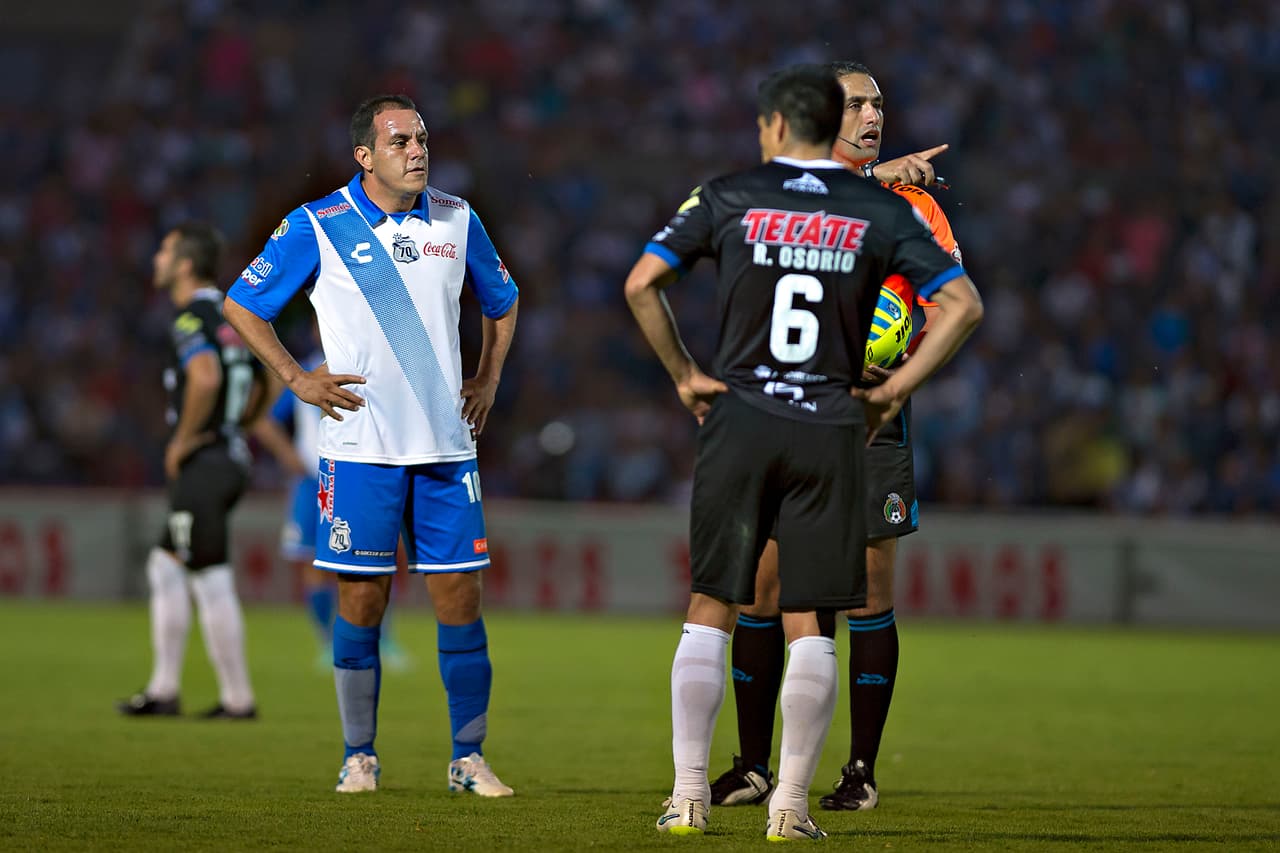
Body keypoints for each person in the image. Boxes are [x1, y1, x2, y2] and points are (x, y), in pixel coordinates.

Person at [625, 65, 982, 840]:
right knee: (809, 615)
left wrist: (686, 374)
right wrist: (894, 389)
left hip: (744, 414)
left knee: (710, 604)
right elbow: (963, 304)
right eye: (856, 104)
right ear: (827, 121)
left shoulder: (732, 194)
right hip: (834, 419)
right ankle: (787, 802)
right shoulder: (875, 208)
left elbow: (640, 283)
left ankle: (687, 794)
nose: (874, 115)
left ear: (775, 129)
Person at [223, 94, 519, 796]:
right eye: (400, 142)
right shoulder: (319, 225)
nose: (417, 150)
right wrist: (296, 377)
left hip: (446, 449)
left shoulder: (457, 216)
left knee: (460, 599)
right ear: (365, 155)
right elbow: (242, 301)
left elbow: (503, 301)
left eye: (421, 139)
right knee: (359, 604)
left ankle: (467, 757)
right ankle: (360, 754)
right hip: (360, 450)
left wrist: (488, 377)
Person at [707, 60, 966, 814]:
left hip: (873, 417)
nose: (872, 114)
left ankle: (860, 768)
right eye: (856, 104)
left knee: (869, 590)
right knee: (764, 585)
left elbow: (951, 304)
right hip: (794, 405)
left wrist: (896, 381)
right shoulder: (801, 190)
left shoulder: (917, 205)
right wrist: (877, 175)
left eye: (880, 104)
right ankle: (755, 766)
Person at [117, 222, 262, 720]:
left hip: (205, 461)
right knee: (167, 563)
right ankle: (164, 690)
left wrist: (184, 441)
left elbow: (204, 375)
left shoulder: (189, 319)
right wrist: (234, 425)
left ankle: (238, 700)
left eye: (163, 251)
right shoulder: (234, 315)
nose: (156, 259)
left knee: (208, 573)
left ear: (182, 264)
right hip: (229, 456)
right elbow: (266, 383)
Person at [251, 342, 412, 673]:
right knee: (314, 563)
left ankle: (384, 639)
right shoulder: (307, 371)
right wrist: (288, 456)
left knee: (379, 556)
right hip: (315, 481)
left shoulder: (374, 364)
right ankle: (328, 644)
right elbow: (263, 421)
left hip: (362, 476)